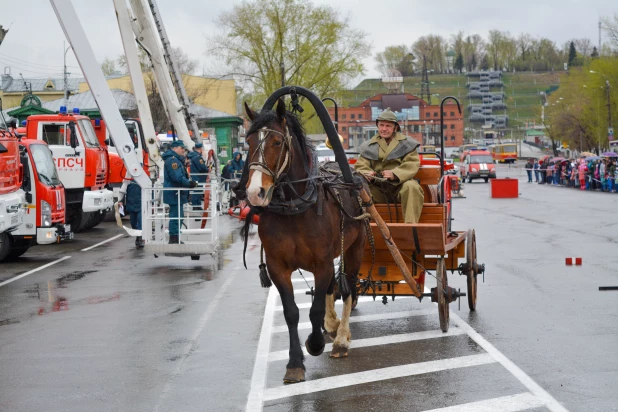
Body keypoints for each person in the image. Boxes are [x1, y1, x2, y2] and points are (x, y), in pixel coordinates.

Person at [354, 108, 424, 223]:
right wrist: (366, 173)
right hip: (378, 189)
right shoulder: (369, 145)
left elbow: (411, 164)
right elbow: (361, 165)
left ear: (395, 128)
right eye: (381, 125)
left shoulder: (407, 143)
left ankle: (411, 228)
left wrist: (395, 174)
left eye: (388, 126)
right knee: (359, 190)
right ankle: (364, 228)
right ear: (377, 126)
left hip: (399, 186)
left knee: (412, 187)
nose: (384, 129)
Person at [162, 140, 198, 244]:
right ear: (174, 148)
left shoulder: (175, 160)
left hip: (176, 193)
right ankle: (173, 239)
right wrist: (189, 183)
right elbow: (177, 177)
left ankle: (175, 237)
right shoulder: (173, 160)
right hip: (174, 193)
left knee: (178, 215)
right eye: (181, 148)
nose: (183, 150)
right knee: (176, 216)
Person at [118, 178, 144, 248]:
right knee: (133, 223)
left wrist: (152, 202)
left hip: (140, 205)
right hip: (131, 205)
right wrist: (120, 201)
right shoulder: (127, 180)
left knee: (140, 222)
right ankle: (137, 236)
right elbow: (122, 191)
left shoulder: (143, 179)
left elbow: (149, 190)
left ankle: (140, 238)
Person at [188, 142, 209, 209]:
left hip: (195, 177)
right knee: (197, 192)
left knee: (197, 192)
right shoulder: (197, 157)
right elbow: (202, 167)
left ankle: (197, 206)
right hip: (199, 178)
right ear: (200, 148)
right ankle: (196, 207)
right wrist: (207, 168)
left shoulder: (193, 156)